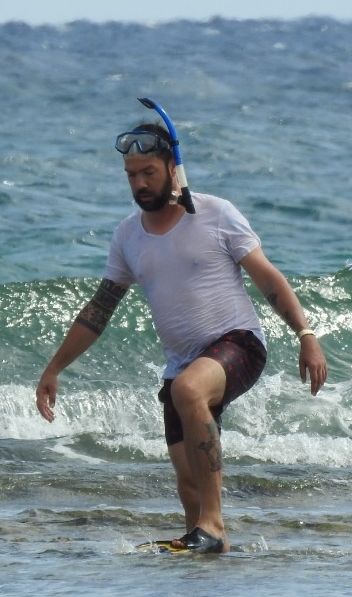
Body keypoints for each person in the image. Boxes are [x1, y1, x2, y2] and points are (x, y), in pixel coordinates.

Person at [35, 118, 327, 553]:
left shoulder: (216, 214)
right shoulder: (127, 236)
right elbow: (99, 310)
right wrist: (54, 368)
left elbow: (268, 278)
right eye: (132, 176)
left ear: (174, 167)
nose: (139, 184)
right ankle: (208, 548)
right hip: (182, 362)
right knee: (188, 479)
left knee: (189, 390)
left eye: (148, 172)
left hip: (239, 342)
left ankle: (212, 521)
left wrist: (305, 334)